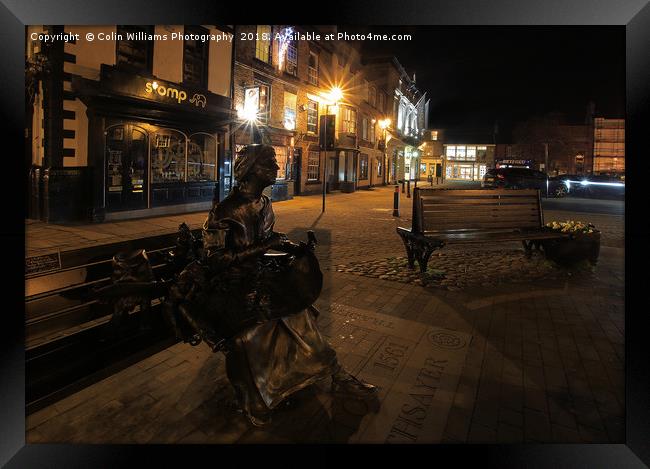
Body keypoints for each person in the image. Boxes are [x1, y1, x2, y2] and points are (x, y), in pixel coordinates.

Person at [169, 144, 377, 426]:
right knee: (250, 336)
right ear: (253, 169)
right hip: (230, 287)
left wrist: (292, 248)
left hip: (260, 279)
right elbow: (215, 259)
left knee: (299, 315)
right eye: (270, 163)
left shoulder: (264, 204)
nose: (277, 168)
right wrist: (265, 246)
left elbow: (268, 240)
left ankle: (332, 371)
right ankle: (256, 398)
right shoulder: (224, 211)